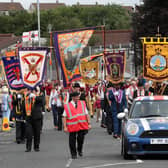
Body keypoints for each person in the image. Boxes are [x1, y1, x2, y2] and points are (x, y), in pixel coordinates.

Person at [63, 92, 91, 159]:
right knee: (72, 140)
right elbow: (64, 116)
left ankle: (79, 149)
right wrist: (65, 126)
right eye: (77, 97)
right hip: (72, 126)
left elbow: (86, 114)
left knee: (81, 138)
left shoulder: (82, 103)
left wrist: (89, 123)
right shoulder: (67, 105)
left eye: (78, 97)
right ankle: (73, 154)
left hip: (82, 125)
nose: (78, 98)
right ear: (73, 97)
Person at [25, 87, 45, 152]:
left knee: (37, 133)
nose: (31, 92)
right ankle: (28, 147)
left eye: (33, 91)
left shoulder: (39, 97)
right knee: (29, 133)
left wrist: (35, 96)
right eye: (31, 90)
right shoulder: (27, 97)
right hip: (28, 118)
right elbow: (23, 106)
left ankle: (36, 146)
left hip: (37, 117)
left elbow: (42, 101)